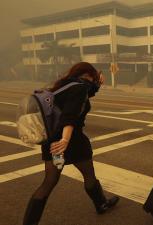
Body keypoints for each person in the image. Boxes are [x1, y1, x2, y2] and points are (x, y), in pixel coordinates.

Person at [23, 62, 119, 225]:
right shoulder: (80, 89)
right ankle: (101, 204)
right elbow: (70, 115)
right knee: (89, 175)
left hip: (53, 143)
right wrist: (65, 140)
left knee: (49, 181)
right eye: (94, 76)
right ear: (89, 75)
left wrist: (96, 86)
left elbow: (81, 98)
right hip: (72, 143)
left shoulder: (63, 86)